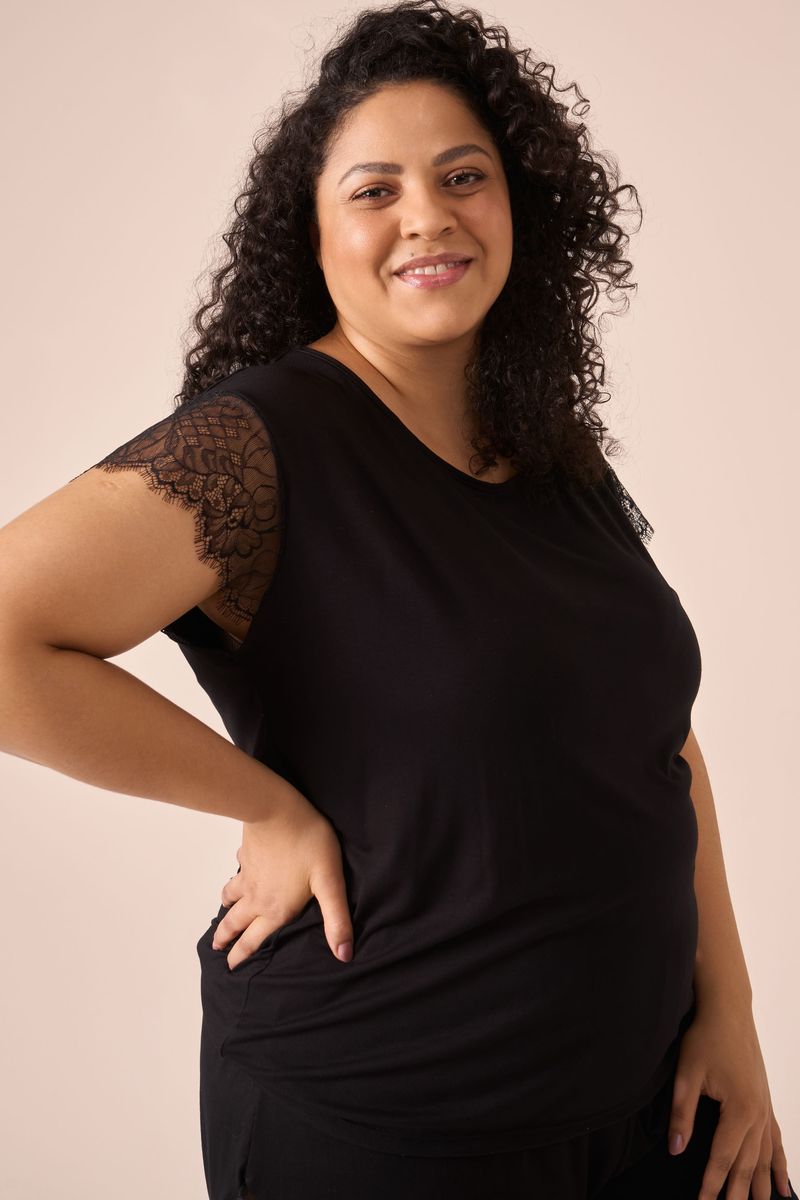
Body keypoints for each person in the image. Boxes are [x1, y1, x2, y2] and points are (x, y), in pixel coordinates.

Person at [0, 2, 793, 1198]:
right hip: (388, 1123)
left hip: (657, 1109)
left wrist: (727, 1011)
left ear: (520, 206)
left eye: (463, 176)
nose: (428, 215)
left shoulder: (547, 446)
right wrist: (266, 805)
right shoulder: (260, 443)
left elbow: (656, 739)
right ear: (310, 236)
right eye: (375, 191)